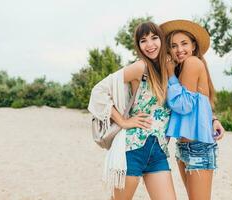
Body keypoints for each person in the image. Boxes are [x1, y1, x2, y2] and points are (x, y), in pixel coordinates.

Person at [89, 21, 177, 200]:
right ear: (138, 46)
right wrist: (122, 121)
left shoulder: (168, 71)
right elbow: (99, 91)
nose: (150, 44)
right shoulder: (140, 67)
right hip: (133, 148)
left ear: (162, 40)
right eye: (143, 40)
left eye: (154, 38)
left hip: (158, 150)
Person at [160, 19, 224, 200]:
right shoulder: (182, 68)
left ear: (194, 46)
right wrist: (213, 119)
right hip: (183, 146)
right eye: (173, 46)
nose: (179, 49)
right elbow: (200, 106)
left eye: (184, 43)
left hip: (198, 147)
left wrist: (170, 74)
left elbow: (183, 105)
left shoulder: (193, 63)